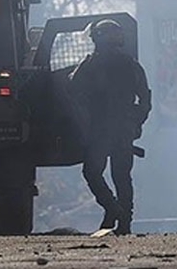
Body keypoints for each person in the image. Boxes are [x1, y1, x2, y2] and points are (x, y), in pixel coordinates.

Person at [70, 18, 152, 235]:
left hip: (101, 129)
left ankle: (113, 209)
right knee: (122, 176)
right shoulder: (131, 65)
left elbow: (73, 90)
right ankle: (124, 222)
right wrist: (136, 121)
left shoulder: (90, 64)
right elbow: (145, 99)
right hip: (123, 129)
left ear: (97, 39)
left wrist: (84, 119)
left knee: (92, 172)